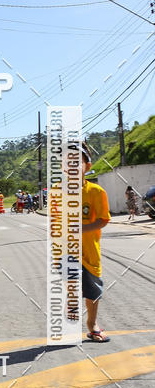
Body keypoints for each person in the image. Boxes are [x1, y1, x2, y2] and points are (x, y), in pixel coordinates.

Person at [81, 143, 111, 342]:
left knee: (92, 290)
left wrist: (81, 229)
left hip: (90, 251)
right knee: (70, 288)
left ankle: (92, 324)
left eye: (78, 161)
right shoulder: (58, 192)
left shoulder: (96, 191)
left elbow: (103, 219)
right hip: (66, 251)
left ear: (87, 166)